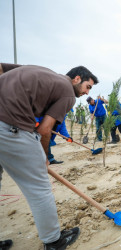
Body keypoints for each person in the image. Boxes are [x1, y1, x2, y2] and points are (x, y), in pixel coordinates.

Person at [0, 62, 98, 249]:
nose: (87, 92)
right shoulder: (68, 93)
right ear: (77, 79)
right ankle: (53, 241)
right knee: (39, 187)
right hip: (10, 126)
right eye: (87, 87)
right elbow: (45, 129)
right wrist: (44, 157)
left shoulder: (37, 70)